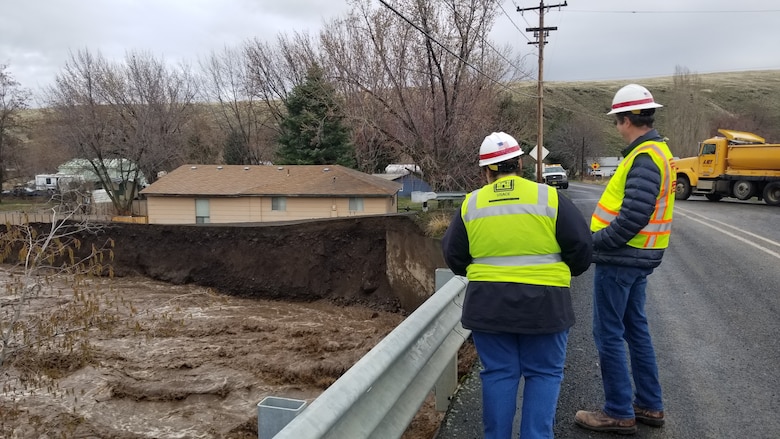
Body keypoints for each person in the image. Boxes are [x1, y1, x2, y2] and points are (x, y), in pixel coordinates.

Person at [442, 131, 592, 439]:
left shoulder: (472, 204)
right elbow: (581, 248)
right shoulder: (548, 197)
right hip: (546, 307)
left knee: (498, 374)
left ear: (486, 171)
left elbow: (454, 256)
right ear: (520, 164)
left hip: (488, 307)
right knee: (544, 374)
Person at [574, 84, 675, 435]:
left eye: (618, 120)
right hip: (639, 258)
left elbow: (633, 217)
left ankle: (618, 410)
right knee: (635, 329)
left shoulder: (644, 156)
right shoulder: (657, 152)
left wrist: (595, 244)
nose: (617, 126)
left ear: (627, 119)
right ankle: (649, 404)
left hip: (622, 259)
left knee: (609, 334)